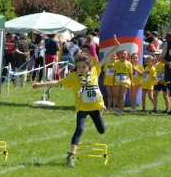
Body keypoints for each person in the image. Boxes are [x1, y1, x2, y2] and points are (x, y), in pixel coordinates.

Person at [32, 37, 120, 168]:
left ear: (89, 66)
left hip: (95, 107)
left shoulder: (95, 70)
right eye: (78, 67)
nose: (81, 69)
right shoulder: (73, 77)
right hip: (82, 108)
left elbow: (106, 58)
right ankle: (71, 155)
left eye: (83, 67)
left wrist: (116, 47)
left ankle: (99, 115)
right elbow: (58, 82)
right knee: (79, 129)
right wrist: (40, 84)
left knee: (102, 130)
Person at [112, 50, 133, 116]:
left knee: (122, 95)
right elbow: (115, 72)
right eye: (122, 54)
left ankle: (121, 110)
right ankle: (119, 108)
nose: (123, 55)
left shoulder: (129, 64)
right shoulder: (116, 63)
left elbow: (130, 74)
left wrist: (132, 82)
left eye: (124, 54)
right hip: (117, 81)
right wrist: (113, 80)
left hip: (125, 81)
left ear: (127, 56)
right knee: (117, 95)